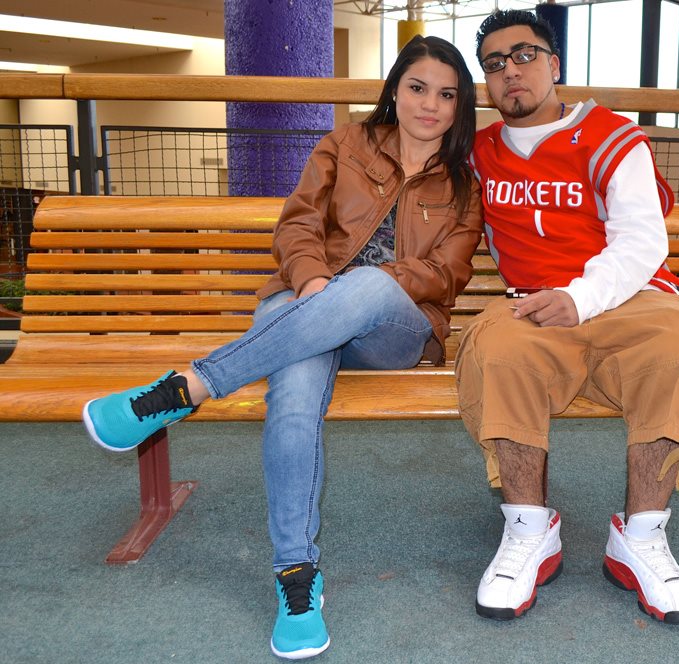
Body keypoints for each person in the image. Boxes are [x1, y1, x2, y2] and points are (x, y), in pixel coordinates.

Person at [82, 36, 483, 660]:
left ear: (461, 108)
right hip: (303, 302)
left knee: (371, 286)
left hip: (394, 330)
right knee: (293, 394)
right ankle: (296, 577)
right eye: (418, 87)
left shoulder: (463, 185)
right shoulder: (345, 144)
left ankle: (186, 388)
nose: (430, 104)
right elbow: (298, 223)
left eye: (447, 94)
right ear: (395, 90)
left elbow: (444, 276)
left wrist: (350, 292)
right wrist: (316, 285)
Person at [456, 10, 679, 624]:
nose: (510, 72)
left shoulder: (609, 135)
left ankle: (642, 535)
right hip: (534, 304)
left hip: (628, 299)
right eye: (494, 65)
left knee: (677, 350)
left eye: (524, 55)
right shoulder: (479, 152)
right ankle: (529, 529)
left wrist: (580, 298)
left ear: (554, 65)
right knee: (493, 346)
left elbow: (641, 240)